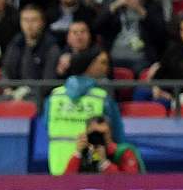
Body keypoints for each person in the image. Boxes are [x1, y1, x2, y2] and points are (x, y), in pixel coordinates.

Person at [41, 46, 126, 175]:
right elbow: (117, 134)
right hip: (93, 164)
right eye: (102, 63)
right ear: (89, 65)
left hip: (57, 165)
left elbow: (46, 125)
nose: (106, 67)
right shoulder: (101, 97)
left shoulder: (55, 96)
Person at [64, 114, 142, 173]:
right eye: (94, 134)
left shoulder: (123, 152)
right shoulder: (83, 154)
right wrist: (78, 153)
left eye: (103, 134)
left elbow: (130, 182)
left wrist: (104, 163)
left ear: (110, 133)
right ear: (87, 133)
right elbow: (67, 181)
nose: (98, 138)